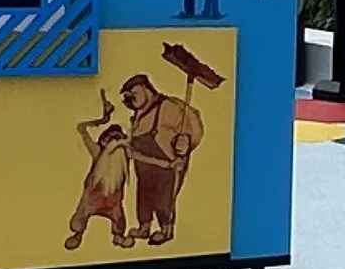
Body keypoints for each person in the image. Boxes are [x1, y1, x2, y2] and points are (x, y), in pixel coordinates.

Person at [121, 42, 225, 245]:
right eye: (129, 96)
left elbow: (193, 126)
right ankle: (144, 227)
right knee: (144, 195)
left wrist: (187, 142)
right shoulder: (138, 114)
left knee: (164, 198)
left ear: (146, 89)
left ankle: (166, 230)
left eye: (134, 93)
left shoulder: (169, 106)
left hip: (167, 164)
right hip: (144, 164)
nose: (132, 99)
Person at [64, 96, 133, 251]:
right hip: (93, 198)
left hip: (113, 201)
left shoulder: (125, 154)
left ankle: (118, 236)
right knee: (83, 211)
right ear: (104, 141)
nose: (115, 141)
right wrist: (102, 120)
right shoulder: (98, 153)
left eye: (118, 138)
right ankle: (78, 234)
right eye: (111, 138)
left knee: (118, 215)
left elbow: (135, 137)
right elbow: (81, 128)